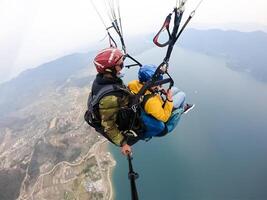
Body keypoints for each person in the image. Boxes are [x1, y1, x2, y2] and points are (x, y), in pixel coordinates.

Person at [128, 64, 194, 139]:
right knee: (182, 95)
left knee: (175, 89)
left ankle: (181, 105)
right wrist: (169, 99)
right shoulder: (151, 102)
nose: (159, 85)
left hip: (154, 103)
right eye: (157, 83)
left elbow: (149, 90)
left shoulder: (134, 83)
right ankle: (182, 109)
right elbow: (165, 118)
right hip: (163, 111)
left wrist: (159, 89)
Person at [88, 47, 133, 156]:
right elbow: (108, 125)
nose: (122, 65)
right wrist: (123, 143)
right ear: (109, 70)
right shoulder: (109, 98)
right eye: (120, 64)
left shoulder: (102, 79)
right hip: (122, 122)